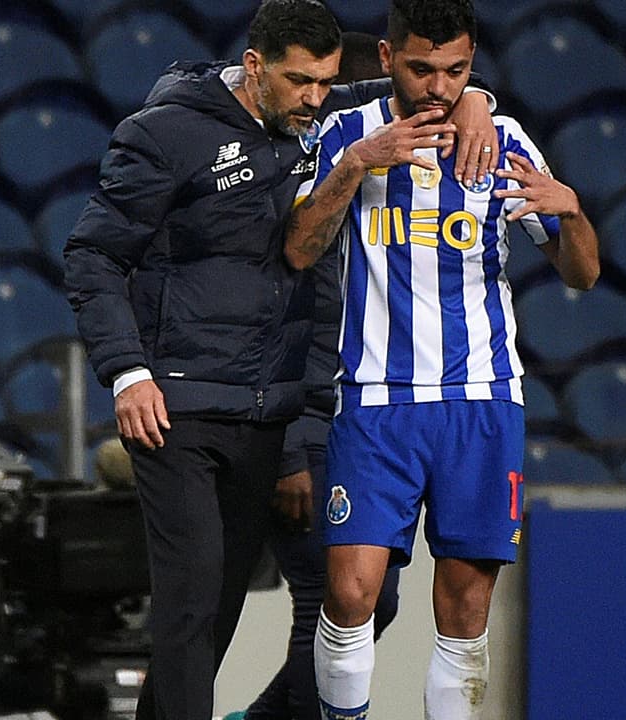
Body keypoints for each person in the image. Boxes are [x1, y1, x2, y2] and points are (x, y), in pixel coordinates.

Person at [62, 1, 500, 717]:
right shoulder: (165, 134)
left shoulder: (315, 121)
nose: (316, 99)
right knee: (192, 596)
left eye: (327, 83)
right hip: (176, 404)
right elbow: (92, 254)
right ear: (255, 66)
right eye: (300, 82)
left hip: (266, 409)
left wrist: (477, 101)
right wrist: (128, 372)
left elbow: (425, 87)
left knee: (216, 612)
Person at [283, 1, 600, 717]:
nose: (438, 87)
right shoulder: (349, 133)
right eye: (421, 68)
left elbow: (582, 275)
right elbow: (299, 249)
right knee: (350, 593)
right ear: (388, 57)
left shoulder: (504, 140)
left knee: (464, 607)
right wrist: (357, 166)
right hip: (376, 398)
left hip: (481, 400)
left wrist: (572, 210)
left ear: (472, 64)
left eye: (456, 71)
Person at [235, 31, 402, 720]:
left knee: (368, 603)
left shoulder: (369, 196)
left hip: (357, 424)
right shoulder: (292, 194)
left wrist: (479, 104)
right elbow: (272, 321)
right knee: (334, 600)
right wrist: (289, 451)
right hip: (301, 428)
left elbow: (454, 87)